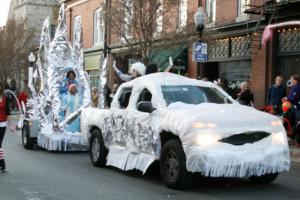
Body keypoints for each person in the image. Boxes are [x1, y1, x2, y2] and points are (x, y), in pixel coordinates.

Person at [285, 75, 300, 147]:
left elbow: (294, 98)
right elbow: (289, 96)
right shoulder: (293, 87)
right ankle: (294, 139)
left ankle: (294, 138)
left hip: (297, 109)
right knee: (291, 122)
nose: (290, 81)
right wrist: (286, 98)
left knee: (298, 123)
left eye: (291, 79)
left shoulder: (298, 87)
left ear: (295, 80)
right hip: (292, 108)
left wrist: (287, 99)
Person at [0, 84, 12, 171]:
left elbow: (8, 112)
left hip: (3, 123)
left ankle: (1, 162)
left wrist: (10, 125)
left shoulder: (5, 98)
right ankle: (2, 162)